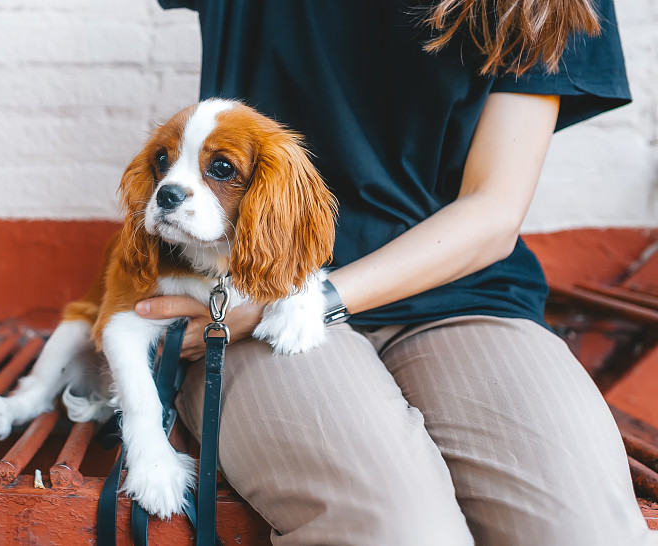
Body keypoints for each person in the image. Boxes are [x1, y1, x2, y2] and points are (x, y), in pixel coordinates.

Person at [134, 0, 658, 544]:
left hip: (455, 297)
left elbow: (494, 209)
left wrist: (316, 299)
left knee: (588, 531)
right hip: (250, 284)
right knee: (398, 531)